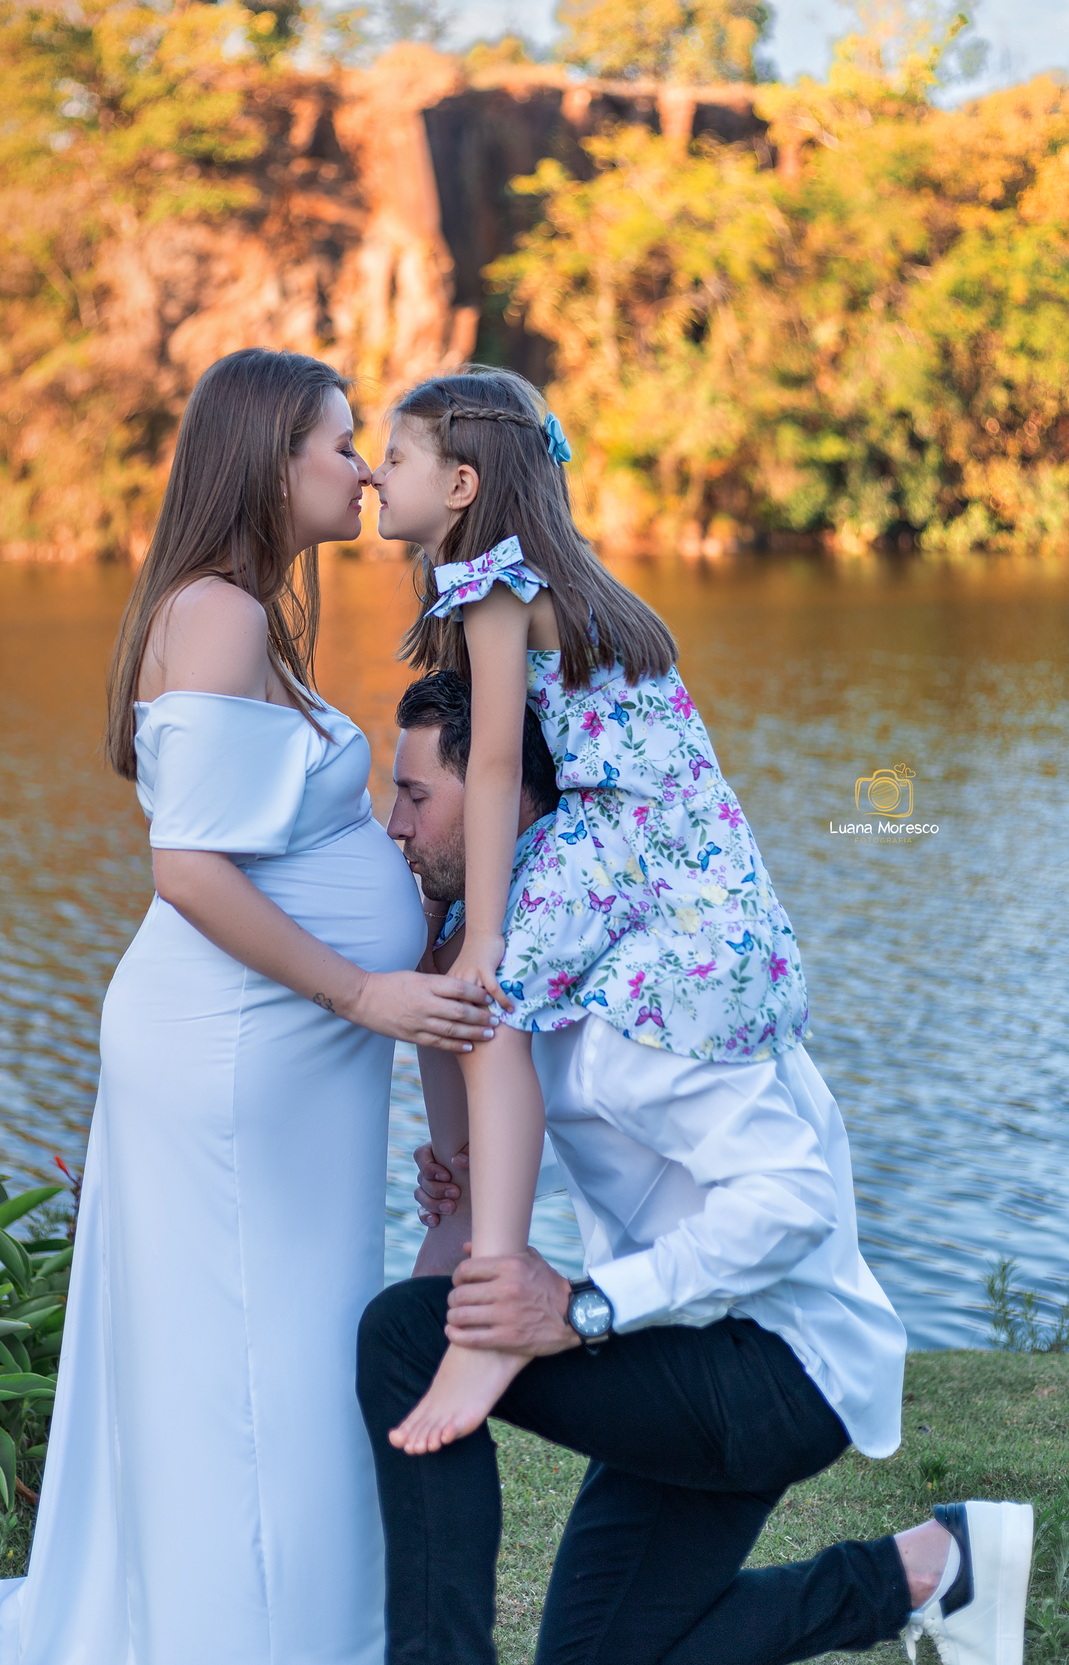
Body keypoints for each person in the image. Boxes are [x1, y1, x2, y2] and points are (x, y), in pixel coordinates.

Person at [0, 349, 495, 1665]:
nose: (365, 469)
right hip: (236, 1058)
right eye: (339, 444)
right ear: (271, 461)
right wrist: (366, 989)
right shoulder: (217, 614)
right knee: (246, 1365)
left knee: (278, 1350)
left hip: (276, 1062)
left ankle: (291, 1621)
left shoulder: (248, 613)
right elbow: (189, 871)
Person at [360, 666, 1034, 1665]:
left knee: (405, 1336)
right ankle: (939, 1568)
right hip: (695, 1338)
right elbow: (467, 1194)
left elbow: (792, 1200)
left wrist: (584, 1309)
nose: (395, 829)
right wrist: (434, 967)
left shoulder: (637, 997)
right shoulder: (539, 963)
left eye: (415, 796)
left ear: (503, 795)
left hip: (778, 1365)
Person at [372, 366, 811, 1453]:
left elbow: (503, 761)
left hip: (625, 834)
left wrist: (487, 931)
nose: (377, 480)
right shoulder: (555, 579)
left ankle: (491, 1293)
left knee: (489, 1002)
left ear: (463, 482)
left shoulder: (495, 588)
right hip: (687, 844)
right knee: (455, 980)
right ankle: (464, 1204)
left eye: (394, 460)